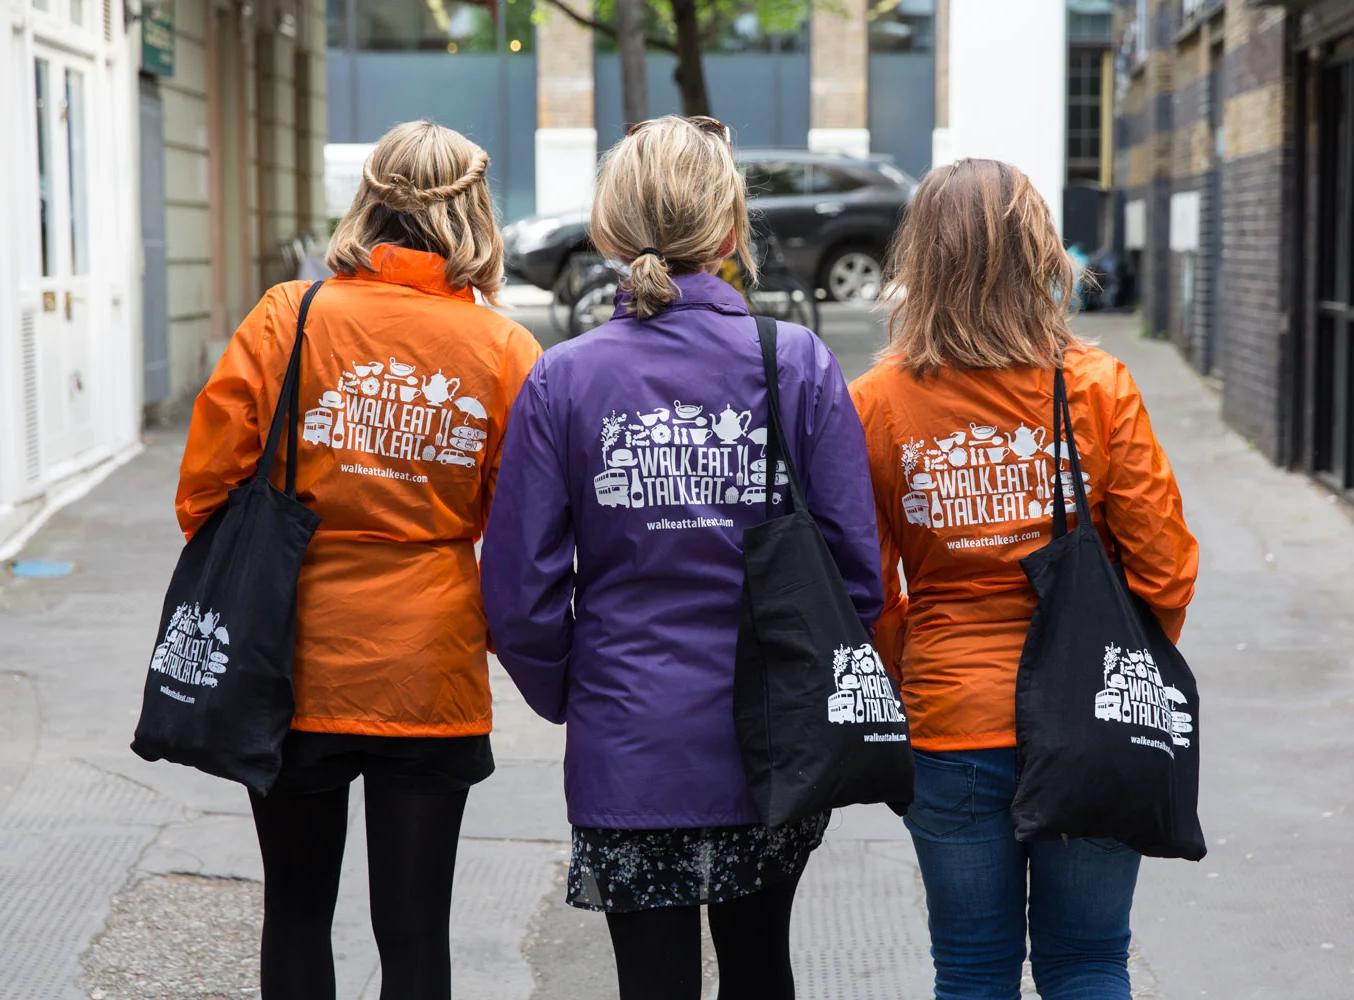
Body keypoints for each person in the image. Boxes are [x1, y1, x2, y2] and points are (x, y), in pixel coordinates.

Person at [480, 115, 883, 1000]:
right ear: (733, 229)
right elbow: (858, 576)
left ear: (610, 231)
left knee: (649, 985)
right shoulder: (799, 365)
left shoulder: (566, 377)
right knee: (759, 965)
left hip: (630, 736)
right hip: (773, 742)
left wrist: (576, 693)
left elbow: (518, 595)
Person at [175, 120, 542, 1000]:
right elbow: (518, 521)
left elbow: (203, 494)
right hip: (429, 670)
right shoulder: (504, 351)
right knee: (416, 929)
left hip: (290, 661)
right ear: (475, 213)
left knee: (296, 913)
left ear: (368, 202)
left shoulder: (287, 317)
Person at [849, 159, 1199, 1000]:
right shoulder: (1094, 386)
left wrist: (919, 664)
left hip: (950, 723)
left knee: (970, 971)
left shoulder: (878, 402)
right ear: (1040, 251)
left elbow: (864, 588)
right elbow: (1166, 569)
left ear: (921, 262)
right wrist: (1106, 657)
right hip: (1091, 721)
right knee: (1087, 964)